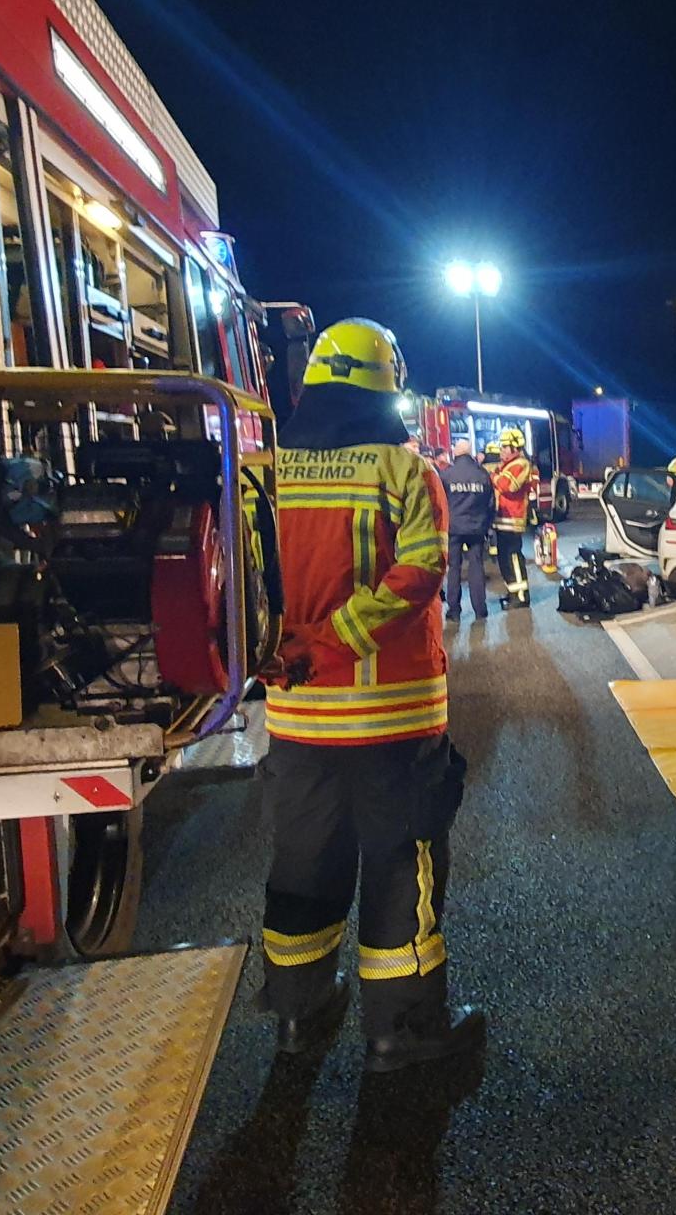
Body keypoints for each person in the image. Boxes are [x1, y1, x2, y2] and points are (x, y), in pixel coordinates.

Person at [260, 317, 484, 1071]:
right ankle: (402, 1031)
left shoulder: (268, 471)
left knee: (304, 863)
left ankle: (297, 1011)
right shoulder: (403, 470)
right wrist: (339, 639)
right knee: (400, 863)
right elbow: (419, 573)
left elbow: (240, 582)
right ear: (388, 383)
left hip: (296, 715)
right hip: (393, 719)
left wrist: (282, 650)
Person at [439, 438, 493, 621]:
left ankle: (454, 610)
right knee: (476, 566)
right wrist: (486, 524)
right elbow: (491, 503)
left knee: (454, 568)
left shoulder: (447, 475)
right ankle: (480, 609)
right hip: (476, 528)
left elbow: (439, 503)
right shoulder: (482, 474)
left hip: (453, 528)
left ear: (455, 453)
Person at [490, 428, 540, 608]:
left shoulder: (521, 464)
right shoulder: (505, 466)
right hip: (502, 520)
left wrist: (494, 476)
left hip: (513, 519)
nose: (501, 450)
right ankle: (512, 592)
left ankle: (521, 596)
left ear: (515, 447)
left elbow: (508, 485)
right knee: (504, 560)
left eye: (505, 447)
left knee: (513, 559)